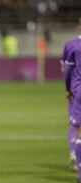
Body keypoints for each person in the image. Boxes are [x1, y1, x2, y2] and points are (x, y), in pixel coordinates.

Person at [60, 19, 81, 172]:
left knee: (77, 126)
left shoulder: (72, 46)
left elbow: (66, 70)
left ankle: (75, 156)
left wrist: (68, 89)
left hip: (77, 90)